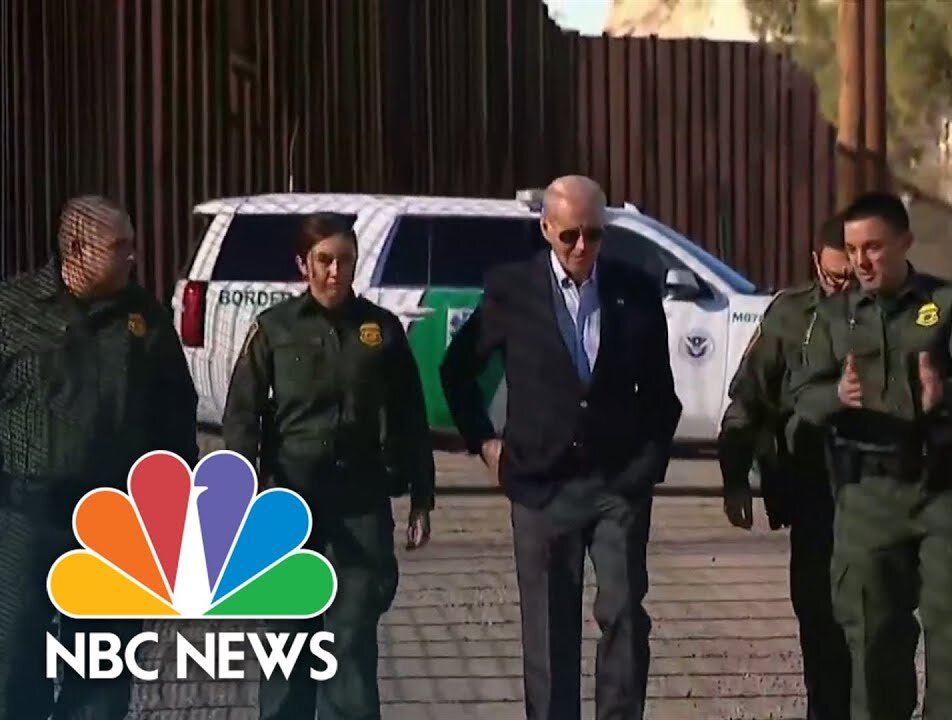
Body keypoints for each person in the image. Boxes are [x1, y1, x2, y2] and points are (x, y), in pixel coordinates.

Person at [439, 175, 682, 720]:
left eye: (593, 235)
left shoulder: (635, 290)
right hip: (540, 487)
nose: (581, 248)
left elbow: (662, 397)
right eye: (569, 234)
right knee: (549, 632)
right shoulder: (512, 289)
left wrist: (644, 471)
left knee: (622, 615)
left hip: (616, 487)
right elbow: (457, 372)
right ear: (547, 228)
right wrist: (484, 444)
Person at [790, 191, 952, 720]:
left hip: (939, 488)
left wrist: (945, 398)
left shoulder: (948, 306)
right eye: (852, 249)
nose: (861, 261)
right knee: (873, 639)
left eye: (875, 247)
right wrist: (836, 397)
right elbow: (801, 394)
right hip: (866, 495)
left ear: (905, 243)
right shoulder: (835, 318)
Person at [222, 212, 434, 720]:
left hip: (359, 502)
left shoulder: (379, 330)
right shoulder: (274, 329)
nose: (335, 273)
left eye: (345, 262)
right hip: (287, 502)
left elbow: (410, 414)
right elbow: (241, 417)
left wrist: (422, 496)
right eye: (324, 261)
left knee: (351, 639)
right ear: (303, 264)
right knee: (287, 642)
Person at [0, 195, 199, 719]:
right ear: (76, 248)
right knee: (14, 660)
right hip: (26, 517)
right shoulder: (14, 308)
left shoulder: (145, 319)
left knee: (102, 668)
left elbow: (176, 413)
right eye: (120, 246)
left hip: (113, 522)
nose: (133, 256)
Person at [717, 232, 854, 720]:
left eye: (851, 275)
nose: (842, 285)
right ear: (816, 263)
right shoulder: (791, 315)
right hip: (812, 493)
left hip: (878, 498)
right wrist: (735, 477)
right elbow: (748, 398)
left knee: (877, 632)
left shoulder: (890, 313)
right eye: (832, 275)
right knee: (820, 627)